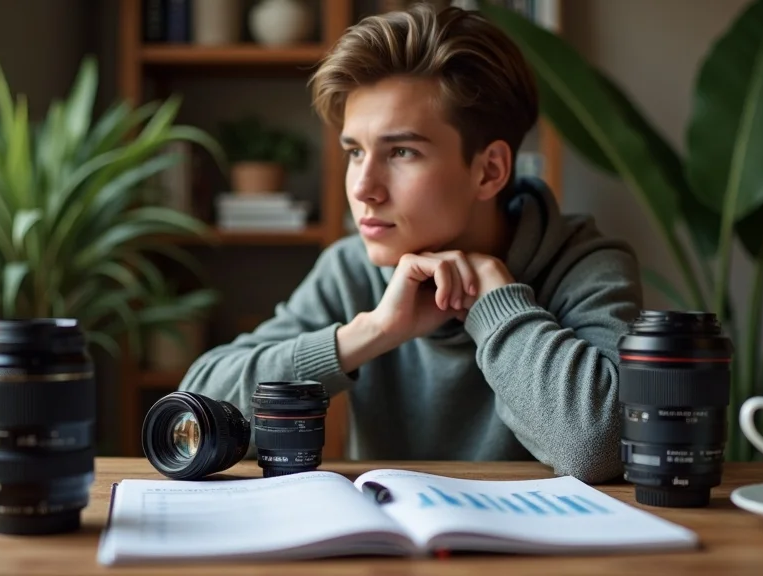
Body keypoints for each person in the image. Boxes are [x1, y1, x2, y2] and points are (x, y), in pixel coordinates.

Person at [178, 4, 642, 483]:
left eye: (401, 152)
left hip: (546, 552)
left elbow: (603, 447)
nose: (362, 187)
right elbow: (197, 411)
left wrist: (497, 308)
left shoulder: (585, 266)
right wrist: (372, 333)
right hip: (387, 551)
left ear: (490, 170)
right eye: (356, 151)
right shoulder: (351, 269)